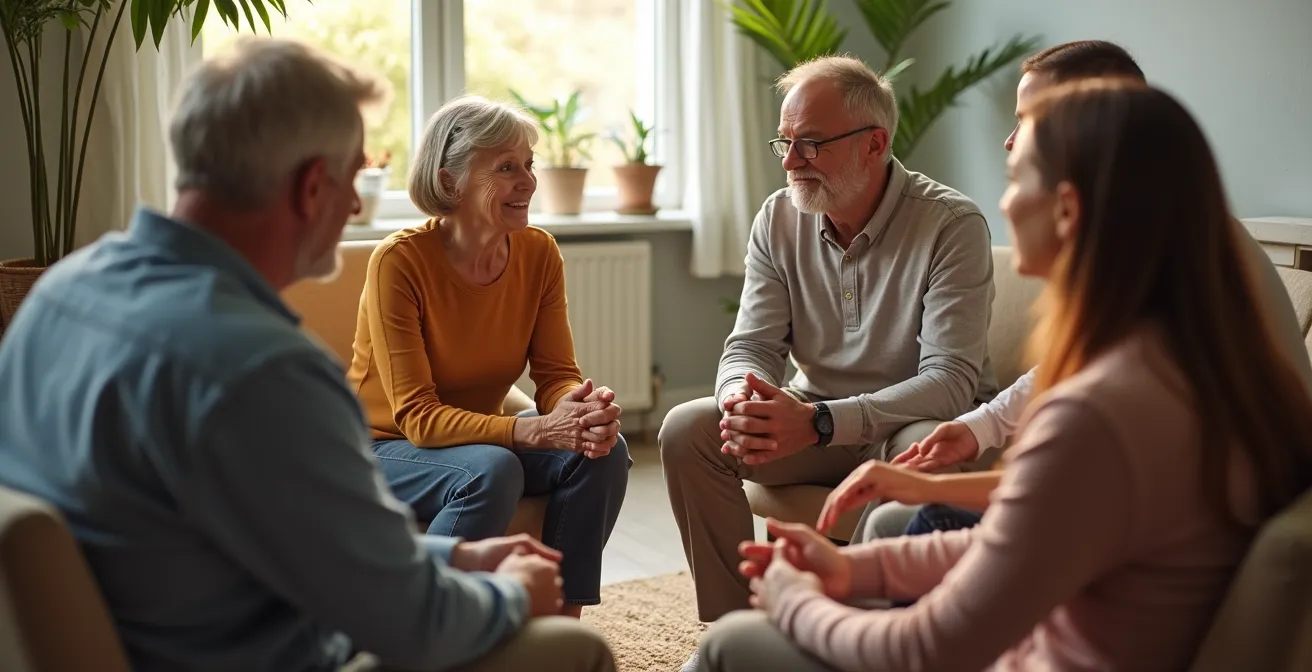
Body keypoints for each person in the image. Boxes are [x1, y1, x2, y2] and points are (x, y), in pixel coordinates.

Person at [0, 37, 615, 672]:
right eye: (353, 176)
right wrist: (510, 594)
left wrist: (455, 556)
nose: (355, 205)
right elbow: (412, 622)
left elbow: (303, 542)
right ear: (311, 186)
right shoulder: (263, 370)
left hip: (182, 629)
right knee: (578, 653)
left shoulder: (59, 294)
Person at [695, 77, 1312, 672]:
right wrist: (853, 571)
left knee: (732, 648)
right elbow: (1023, 541)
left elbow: (923, 652)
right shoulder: (1193, 367)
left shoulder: (1092, 414)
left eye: (1018, 180)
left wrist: (795, 601)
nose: (1004, 202)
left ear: (1067, 209)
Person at [839, 40, 1312, 542]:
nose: (1011, 140)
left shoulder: (1168, 249)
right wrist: (980, 428)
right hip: (1158, 499)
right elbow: (1086, 364)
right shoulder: (1144, 229)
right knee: (897, 522)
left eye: (1031, 118)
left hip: (1197, 521)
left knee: (905, 526)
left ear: (1099, 117)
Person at [660, 53, 997, 664]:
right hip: (815, 416)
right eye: (784, 142)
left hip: (913, 424)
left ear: (875, 145)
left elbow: (949, 382)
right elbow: (751, 344)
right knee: (690, 428)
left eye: (811, 144)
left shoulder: (951, 224)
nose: (791, 161)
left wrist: (818, 422)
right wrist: (741, 398)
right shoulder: (778, 216)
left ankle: (847, 637)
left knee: (923, 447)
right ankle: (738, 636)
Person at [346, 94, 630, 618]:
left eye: (529, 164)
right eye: (506, 167)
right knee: (491, 470)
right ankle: (428, 621)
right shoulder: (399, 262)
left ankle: (561, 622)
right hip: (381, 447)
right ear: (450, 181)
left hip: (472, 440)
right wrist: (534, 431)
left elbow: (555, 374)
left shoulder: (538, 252)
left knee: (603, 452)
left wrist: (578, 409)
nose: (528, 181)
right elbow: (418, 419)